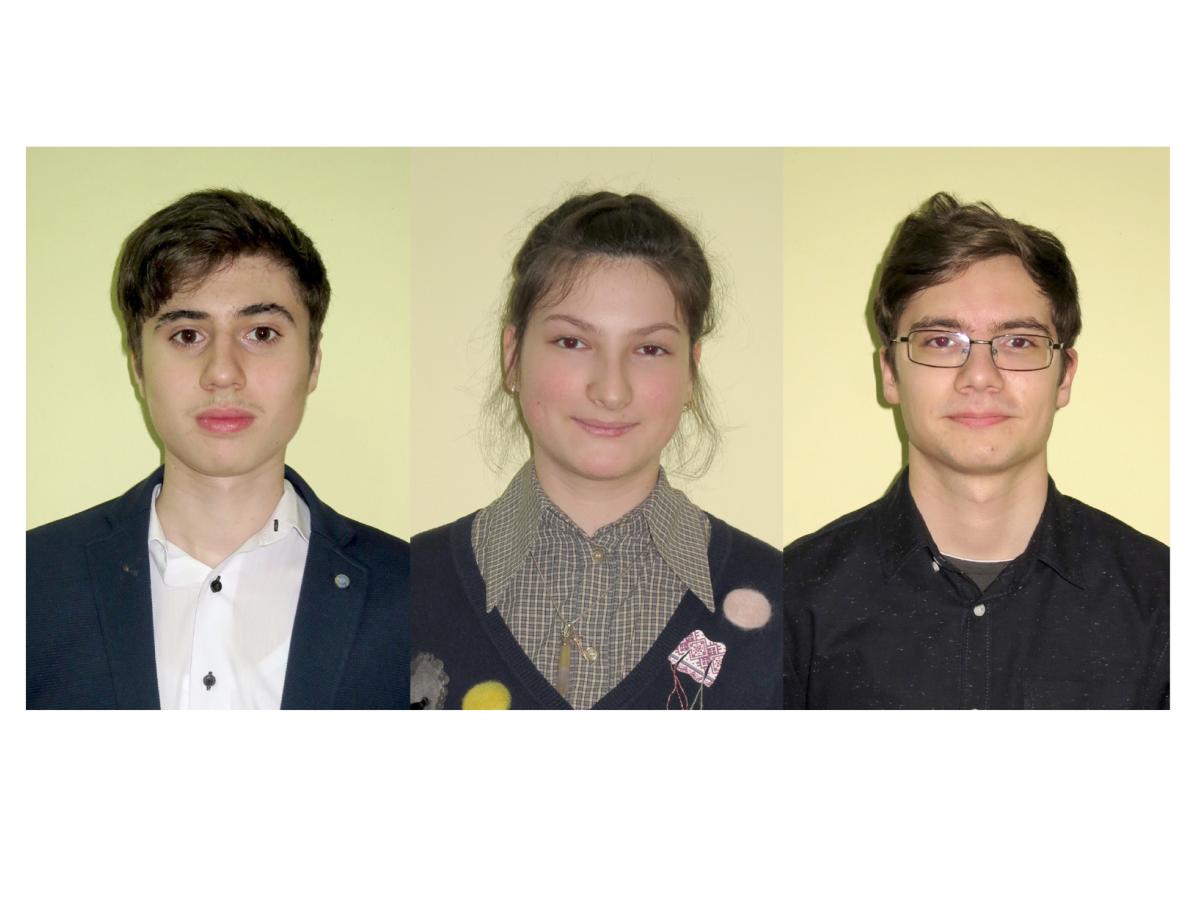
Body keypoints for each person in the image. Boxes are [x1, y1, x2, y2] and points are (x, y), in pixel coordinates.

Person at [26, 189, 409, 709]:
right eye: (187, 335)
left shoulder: (409, 592)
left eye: (261, 333)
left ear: (313, 363)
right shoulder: (30, 585)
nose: (223, 372)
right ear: (138, 367)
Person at [784, 192, 1169, 709]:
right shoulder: (793, 597)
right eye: (942, 341)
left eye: (1019, 342)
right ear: (890, 372)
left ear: (1065, 376)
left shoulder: (1165, 601)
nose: (980, 376)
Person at [411, 191, 780, 710]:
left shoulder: (784, 602)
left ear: (691, 373)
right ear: (512, 357)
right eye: (573, 342)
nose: (611, 390)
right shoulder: (407, 587)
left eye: (650, 349)